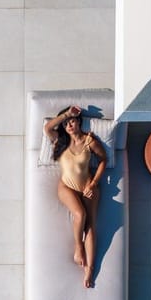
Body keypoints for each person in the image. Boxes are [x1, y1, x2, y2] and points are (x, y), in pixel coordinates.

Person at [44, 105, 109, 288]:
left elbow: (104, 160)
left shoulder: (90, 141)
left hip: (88, 186)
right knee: (80, 214)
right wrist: (67, 114)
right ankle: (78, 248)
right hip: (66, 187)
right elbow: (48, 128)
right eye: (65, 124)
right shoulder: (59, 141)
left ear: (79, 122)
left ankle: (90, 269)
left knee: (90, 226)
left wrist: (93, 183)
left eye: (72, 121)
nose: (69, 125)